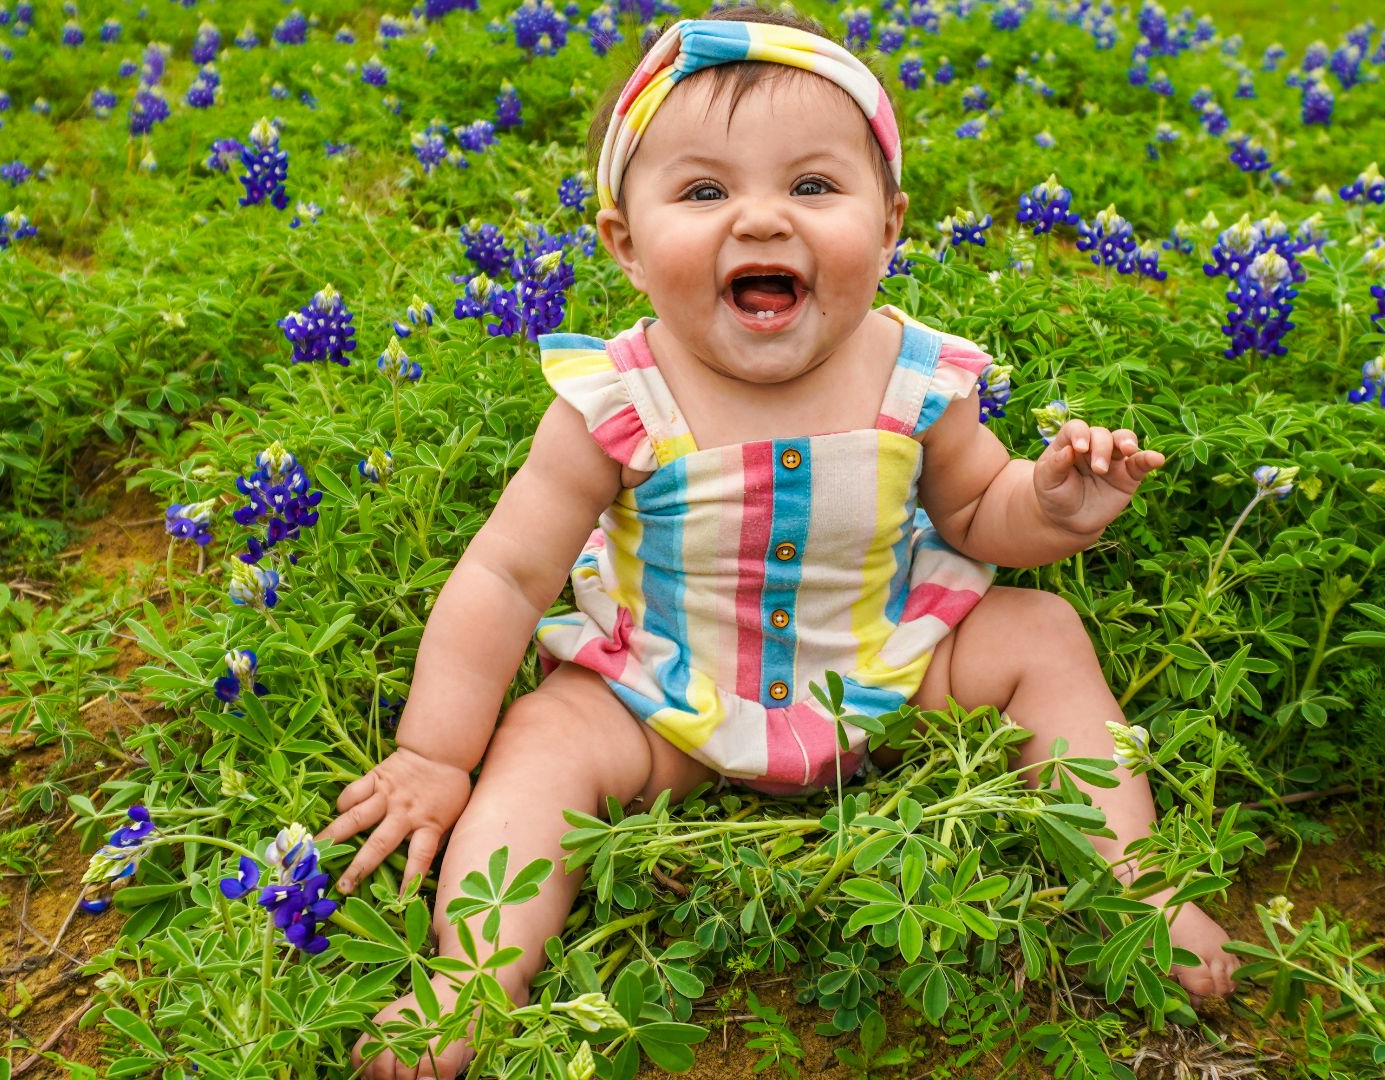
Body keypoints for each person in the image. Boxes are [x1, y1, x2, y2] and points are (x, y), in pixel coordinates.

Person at [318, 7, 1237, 1076]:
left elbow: (979, 515)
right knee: (542, 742)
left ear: (890, 226)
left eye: (812, 186)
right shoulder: (614, 402)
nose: (761, 220)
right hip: (665, 692)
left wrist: (1055, 506)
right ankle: (471, 976)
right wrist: (436, 752)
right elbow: (509, 573)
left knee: (1041, 630)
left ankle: (1143, 889)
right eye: (704, 191)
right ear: (623, 240)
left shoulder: (916, 375)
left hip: (884, 669)